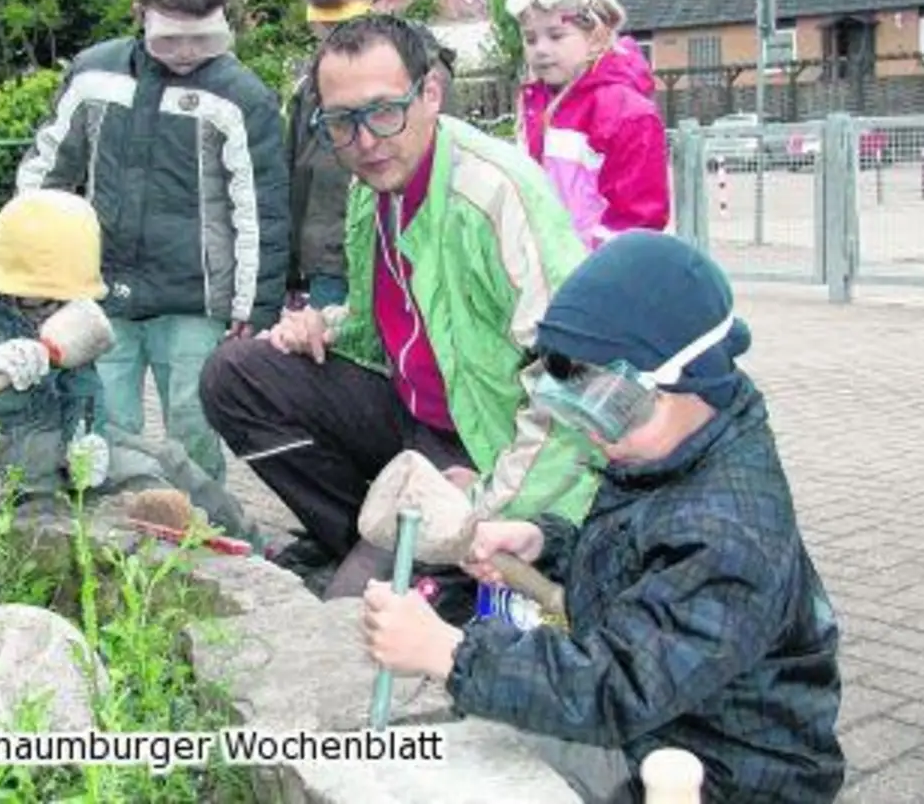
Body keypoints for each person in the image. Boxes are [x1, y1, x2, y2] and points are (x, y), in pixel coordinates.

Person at [358, 230, 847, 803]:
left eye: (613, 408)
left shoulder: (728, 535)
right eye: (577, 402)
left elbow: (616, 685)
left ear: (689, 384)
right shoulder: (680, 451)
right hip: (670, 725)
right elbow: (647, 554)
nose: (592, 429)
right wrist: (549, 543)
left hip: (732, 776)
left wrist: (449, 654)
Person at [199, 13, 599, 622]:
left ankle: (444, 561)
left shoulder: (496, 195)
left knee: (351, 616)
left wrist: (486, 508)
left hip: (491, 443)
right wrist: (319, 326)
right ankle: (382, 543)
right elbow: (381, 322)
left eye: (384, 111)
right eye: (341, 122)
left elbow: (579, 386)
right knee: (237, 373)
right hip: (416, 421)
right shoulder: (372, 187)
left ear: (431, 94)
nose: (364, 141)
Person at [15, 0, 290, 484]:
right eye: (170, 39)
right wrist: (30, 267)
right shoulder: (93, 76)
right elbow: (45, 175)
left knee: (193, 426)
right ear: (140, 14)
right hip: (101, 291)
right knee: (105, 421)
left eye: (203, 37)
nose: (187, 52)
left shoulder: (243, 97)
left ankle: (204, 528)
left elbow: (260, 212)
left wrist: (252, 307)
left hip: (196, 301)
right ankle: (114, 526)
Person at [0, 189, 258, 539]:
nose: (50, 301)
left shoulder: (71, 305)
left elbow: (83, 384)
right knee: (146, 475)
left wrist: (87, 436)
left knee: (173, 459)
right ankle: (196, 549)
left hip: (57, 428)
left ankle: (255, 549)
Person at [286, 0, 459, 309]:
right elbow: (295, 178)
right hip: (330, 267)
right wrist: (291, 269)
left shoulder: (428, 78)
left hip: (412, 258)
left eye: (348, 23)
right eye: (324, 27)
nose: (334, 41)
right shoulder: (310, 88)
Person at [504, 0, 670, 248]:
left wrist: (593, 275)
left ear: (595, 38)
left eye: (556, 36)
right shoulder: (536, 105)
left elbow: (637, 221)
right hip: (549, 271)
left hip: (599, 277)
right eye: (530, 39)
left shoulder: (626, 115)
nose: (541, 50)